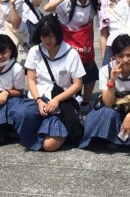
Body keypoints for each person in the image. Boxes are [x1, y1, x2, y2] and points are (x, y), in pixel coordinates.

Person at [11, 16, 86, 152]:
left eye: (51, 36)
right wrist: (39, 101)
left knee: (49, 145)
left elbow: (77, 84)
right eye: (44, 37)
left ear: (58, 34)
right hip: (39, 97)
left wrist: (57, 99)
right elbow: (31, 80)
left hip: (62, 100)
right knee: (22, 113)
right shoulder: (35, 51)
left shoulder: (71, 53)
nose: (47, 41)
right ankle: (42, 128)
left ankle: (56, 130)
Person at [44, 0, 99, 108]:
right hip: (67, 40)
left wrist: (90, 43)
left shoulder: (91, 2)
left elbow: (90, 24)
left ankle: (85, 102)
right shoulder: (68, 2)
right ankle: (70, 99)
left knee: (91, 71)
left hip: (83, 41)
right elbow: (47, 8)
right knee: (70, 72)